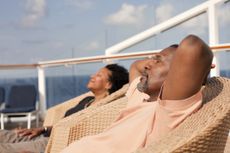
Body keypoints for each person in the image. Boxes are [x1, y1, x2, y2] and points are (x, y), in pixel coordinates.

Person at [61, 35, 213, 153]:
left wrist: (201, 72)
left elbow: (193, 46)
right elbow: (135, 67)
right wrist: (155, 61)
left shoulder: (167, 112)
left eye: (158, 61)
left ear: (177, 74)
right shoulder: (140, 95)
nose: (147, 65)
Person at [0, 64, 129, 153]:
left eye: (99, 75)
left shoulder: (103, 111)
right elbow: (64, 124)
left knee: (4, 148)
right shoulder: (87, 100)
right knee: (2, 134)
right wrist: (41, 128)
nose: (92, 76)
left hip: (52, 144)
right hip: (45, 135)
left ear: (109, 84)